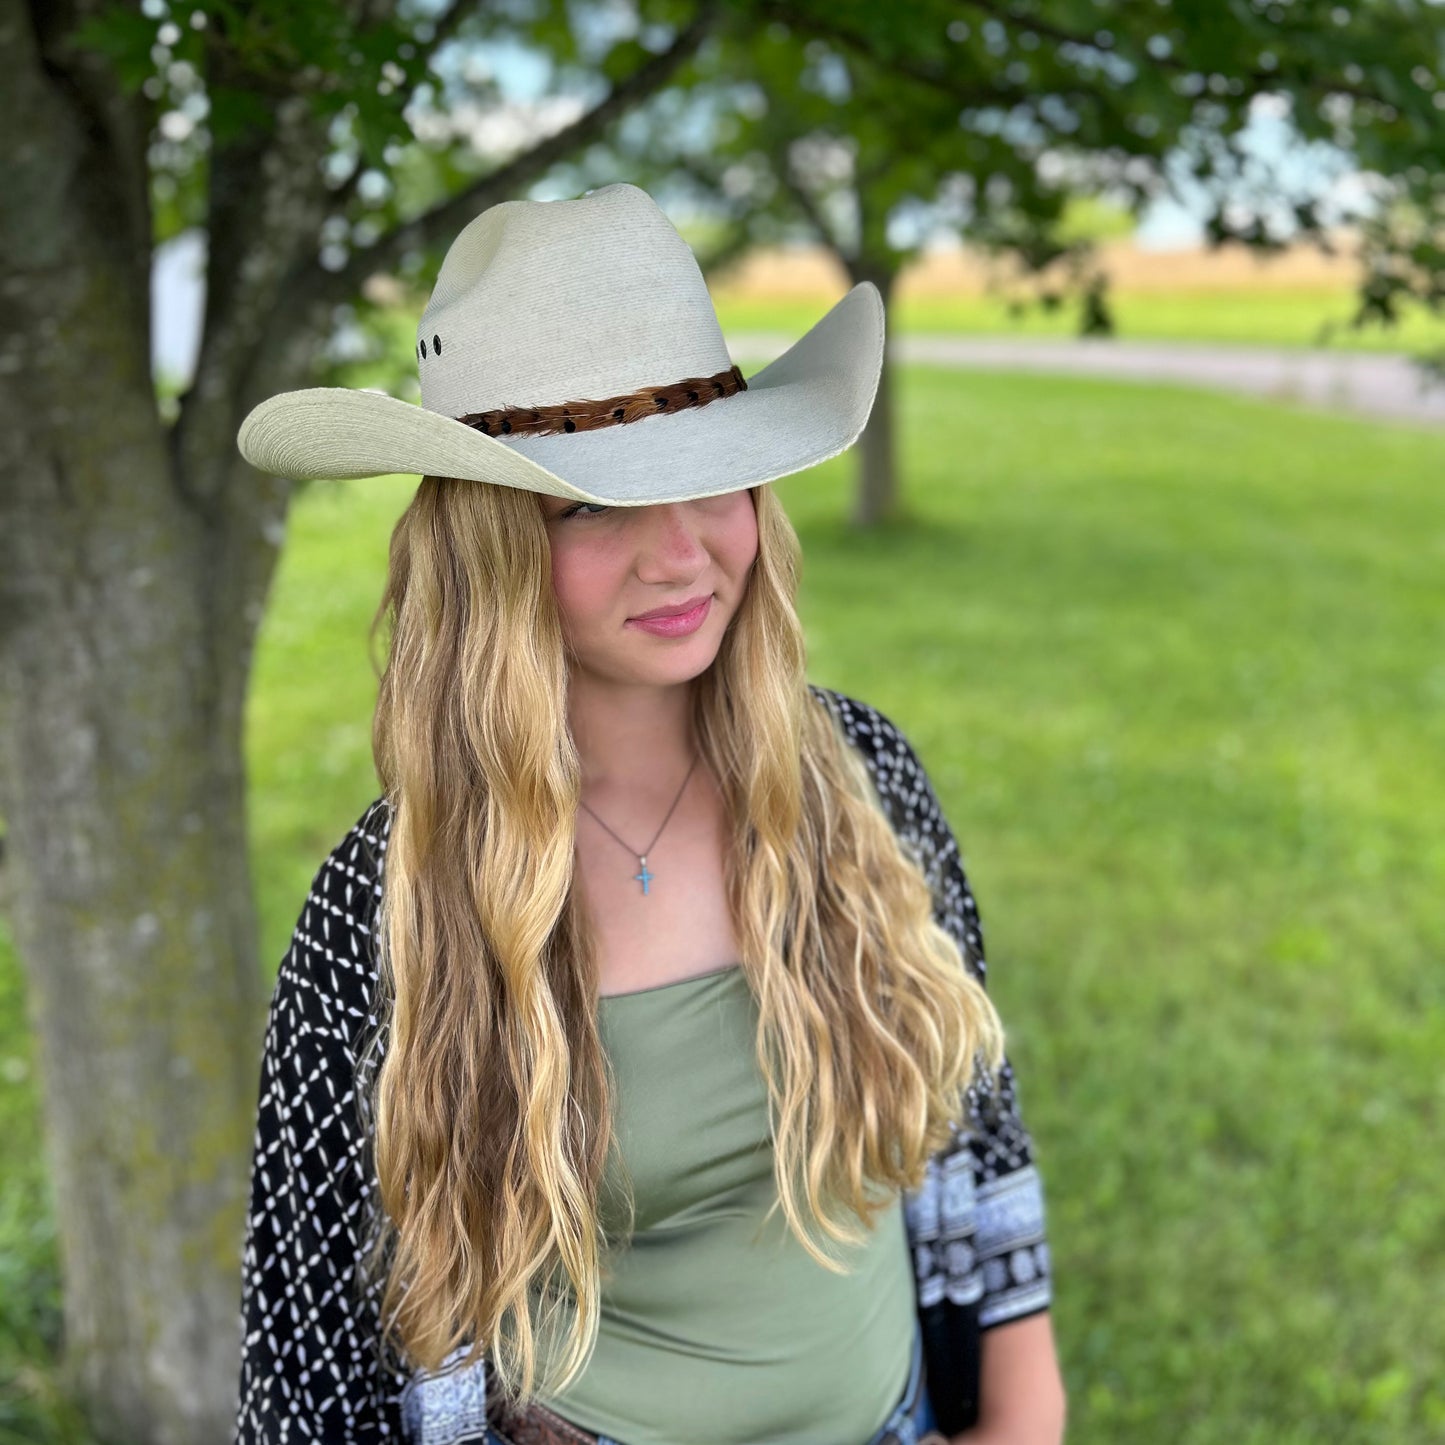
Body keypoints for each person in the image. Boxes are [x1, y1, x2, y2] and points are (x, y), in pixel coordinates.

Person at [232, 182, 1065, 1445]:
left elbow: (980, 1137)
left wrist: (1015, 1424)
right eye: (596, 503)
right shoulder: (388, 910)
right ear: (490, 548)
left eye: (711, 480)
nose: (681, 554)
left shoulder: (860, 776)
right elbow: (307, 1376)